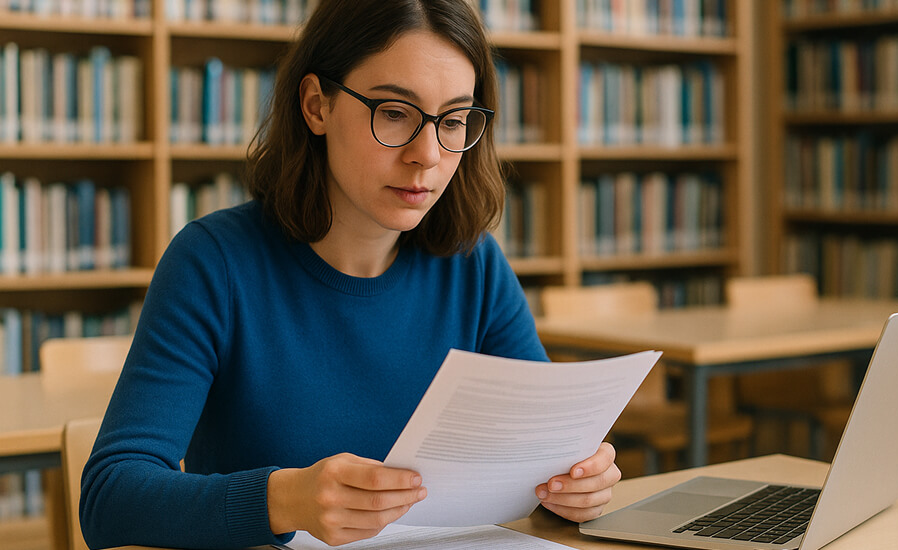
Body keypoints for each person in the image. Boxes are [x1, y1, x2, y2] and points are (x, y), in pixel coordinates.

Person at [79, 1, 622, 548]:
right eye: (393, 113)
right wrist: (285, 500)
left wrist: (577, 484)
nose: (427, 155)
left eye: (454, 121)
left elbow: (548, 455)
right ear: (317, 106)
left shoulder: (473, 264)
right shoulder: (213, 263)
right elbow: (110, 496)